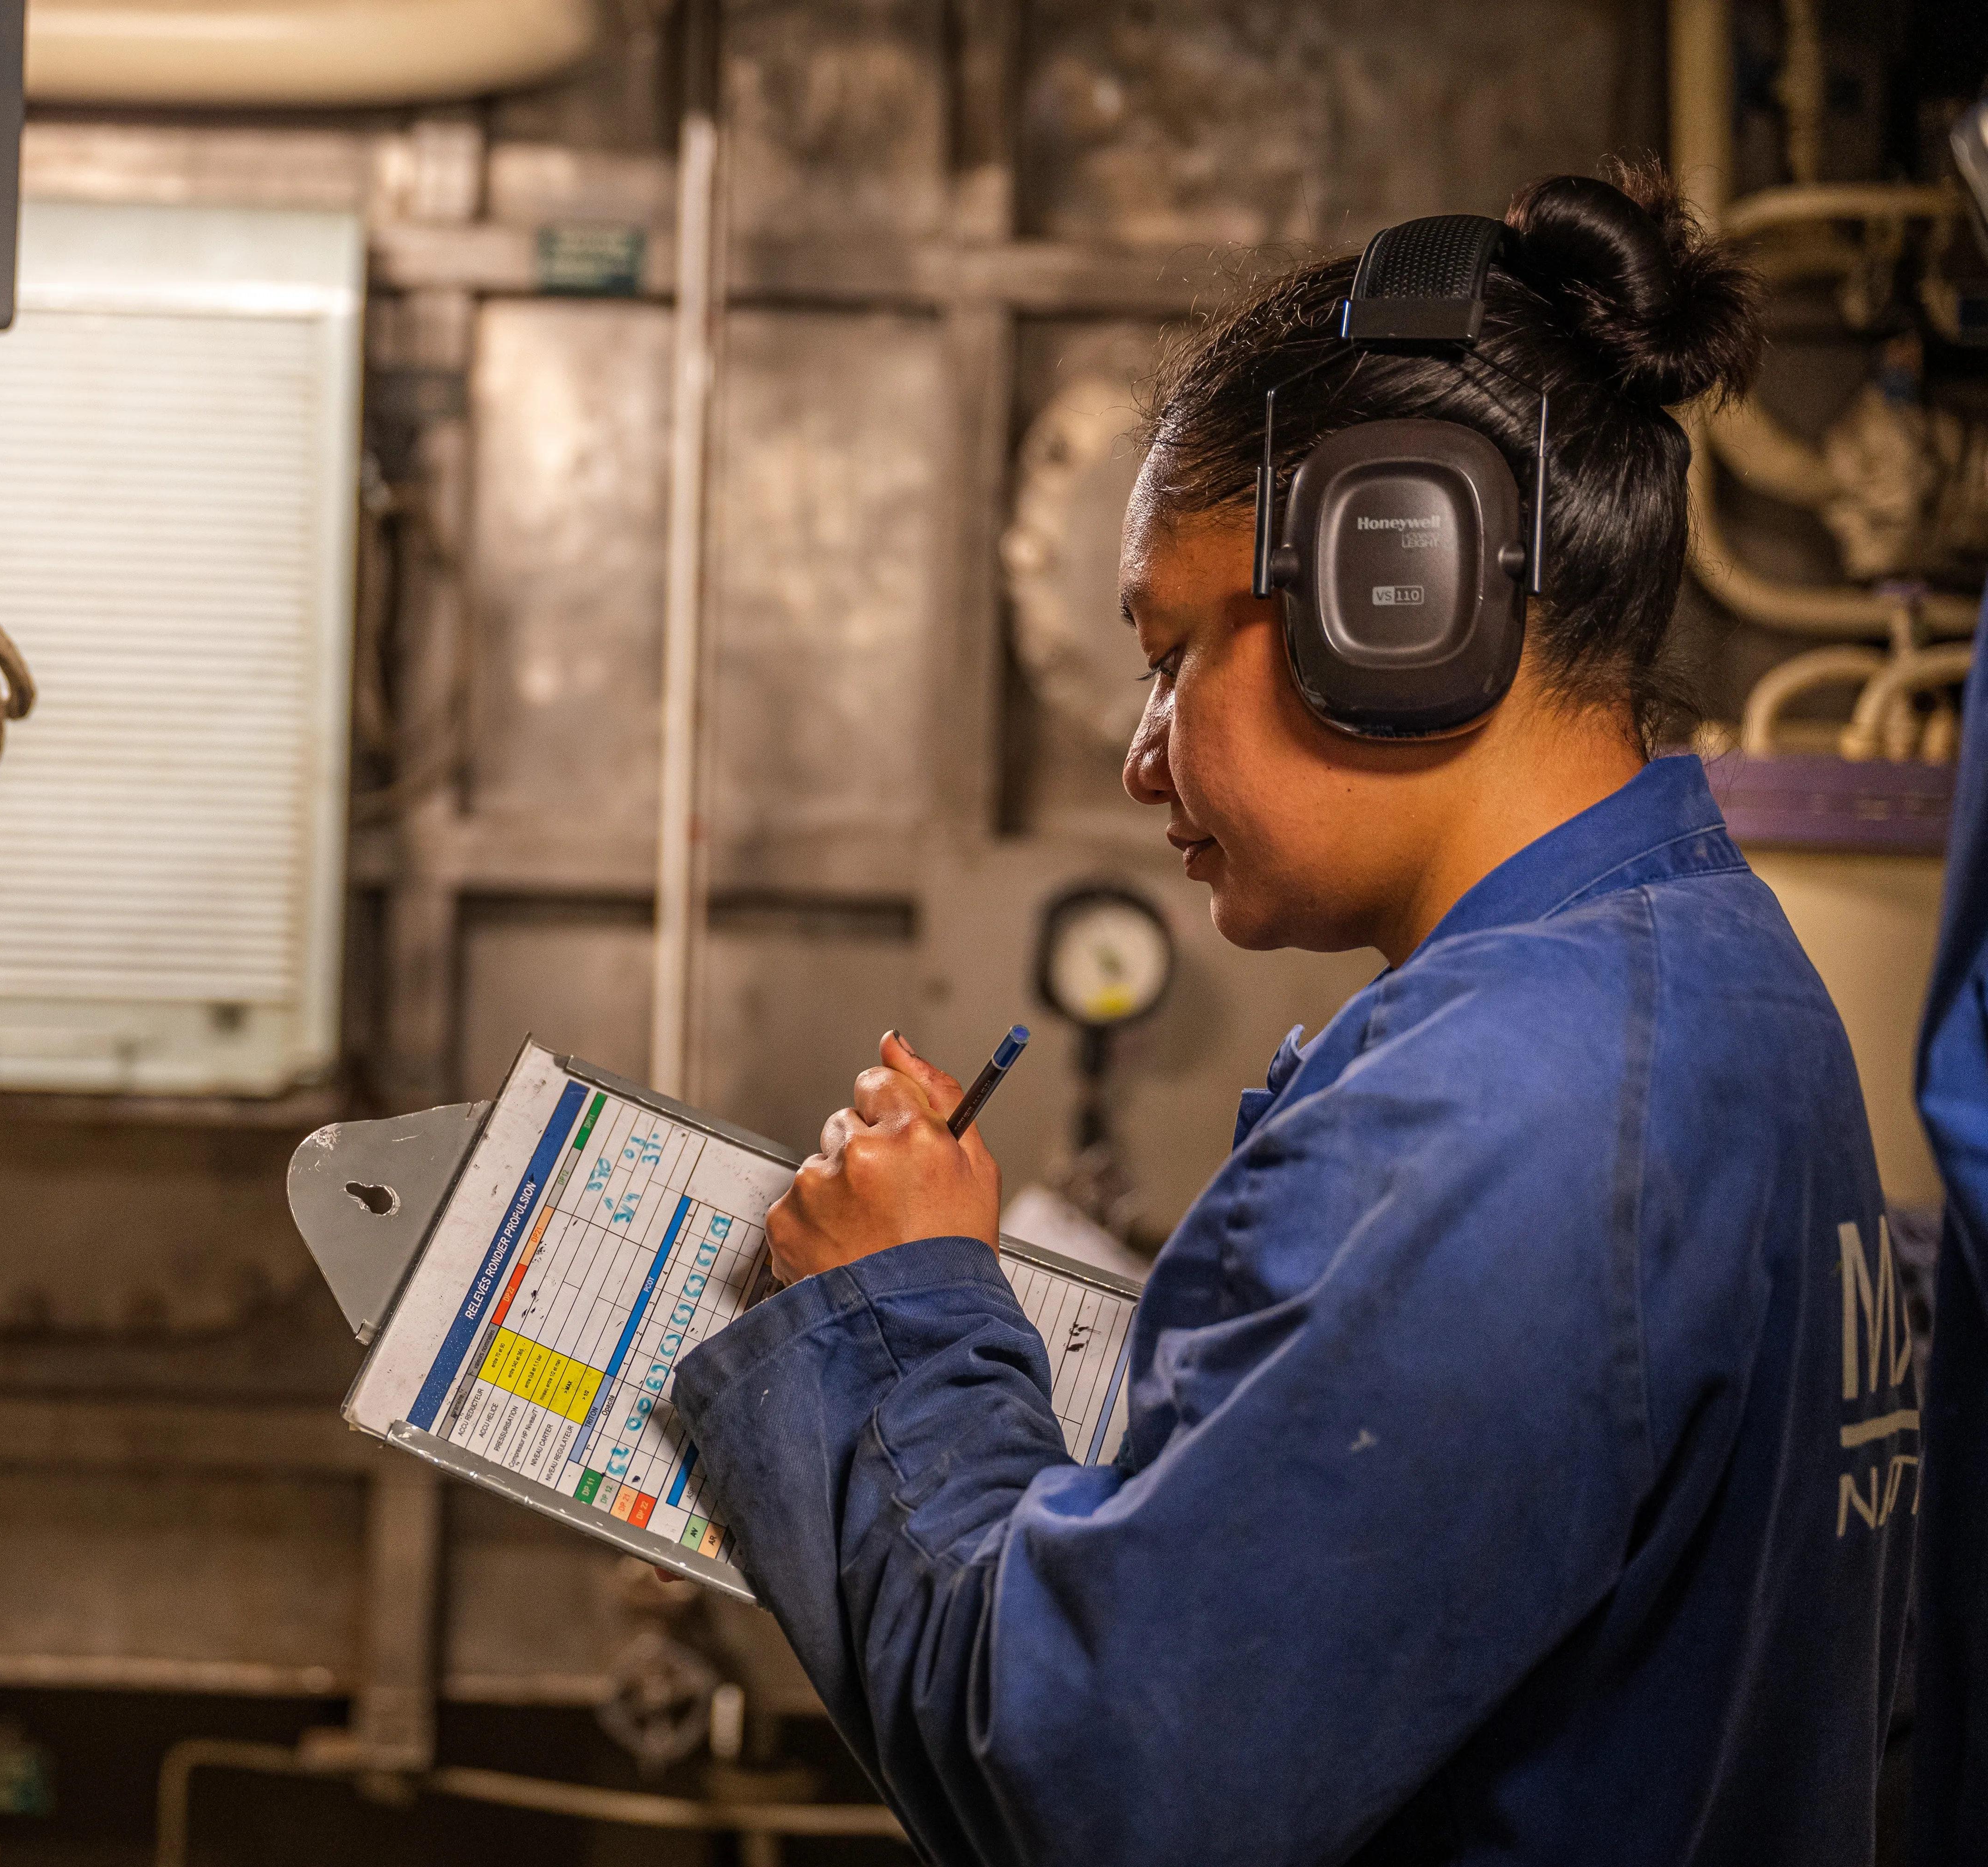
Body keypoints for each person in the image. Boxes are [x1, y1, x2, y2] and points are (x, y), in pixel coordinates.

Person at [674, 161, 1917, 1866]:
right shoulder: (1710, 979)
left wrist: (898, 1307)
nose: (1141, 756)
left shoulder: (1499, 1120)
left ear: (1389, 587)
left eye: (1174, 654)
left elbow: (1089, 1784)